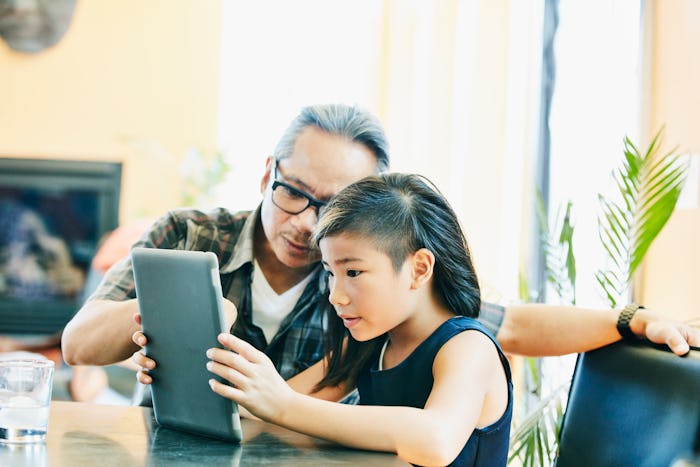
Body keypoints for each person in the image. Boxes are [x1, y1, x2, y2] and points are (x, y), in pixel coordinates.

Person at [61, 103, 699, 385]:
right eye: (292, 192)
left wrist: (630, 318)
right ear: (266, 174)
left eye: (331, 206)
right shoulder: (187, 235)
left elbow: (509, 325)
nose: (306, 224)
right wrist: (169, 315)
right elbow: (77, 346)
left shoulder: (365, 273)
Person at [207, 173, 512, 466]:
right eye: (330, 273)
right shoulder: (371, 345)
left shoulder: (469, 347)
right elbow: (260, 406)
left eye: (352, 272)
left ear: (419, 269)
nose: (335, 296)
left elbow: (435, 441)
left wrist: (285, 406)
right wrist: (214, 329)